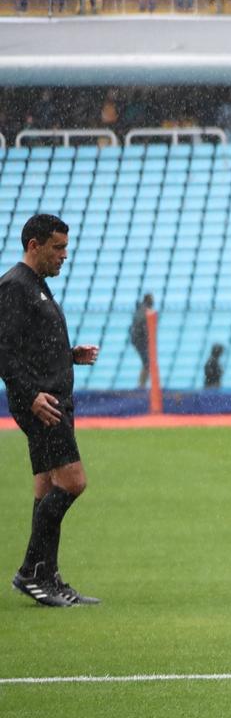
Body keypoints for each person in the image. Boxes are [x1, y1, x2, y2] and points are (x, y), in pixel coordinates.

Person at [0, 214, 101, 608]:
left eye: (65, 248)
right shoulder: (14, 287)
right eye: (57, 247)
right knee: (73, 482)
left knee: (45, 487)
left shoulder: (35, 286)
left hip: (50, 399)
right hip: (45, 405)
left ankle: (48, 576)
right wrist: (29, 396)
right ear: (34, 246)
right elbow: (4, 350)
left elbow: (31, 345)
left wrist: (68, 356)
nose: (64, 255)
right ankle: (32, 571)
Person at [128, 292, 155, 390]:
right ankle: (141, 385)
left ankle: (142, 384)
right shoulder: (144, 312)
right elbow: (143, 327)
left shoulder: (141, 310)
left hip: (138, 340)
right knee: (147, 362)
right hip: (140, 340)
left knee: (147, 362)